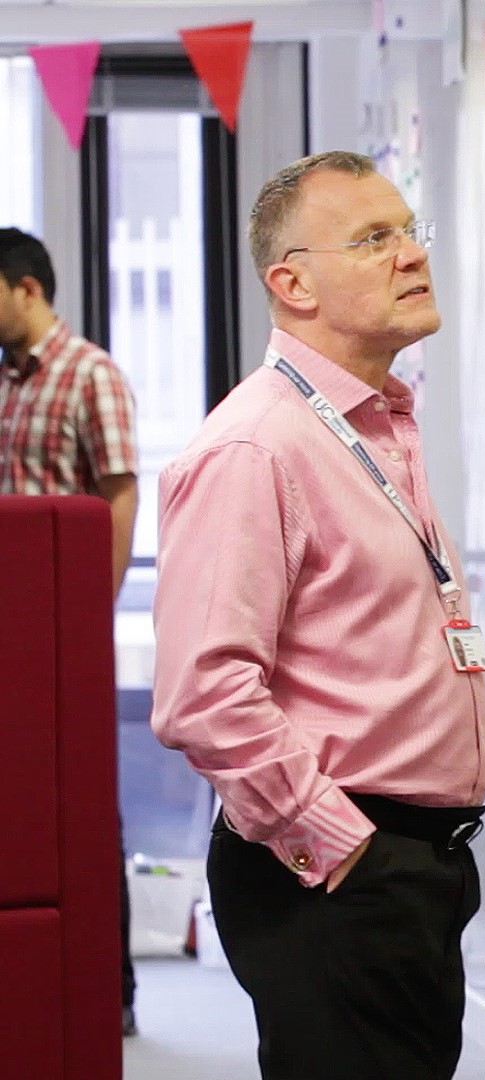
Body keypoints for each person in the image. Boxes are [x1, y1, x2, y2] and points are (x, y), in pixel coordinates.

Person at [149, 151, 485, 1080]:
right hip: (334, 872)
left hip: (410, 868)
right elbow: (203, 694)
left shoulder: (380, 424)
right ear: (290, 282)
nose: (411, 255)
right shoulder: (257, 445)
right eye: (375, 238)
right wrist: (342, 849)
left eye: (411, 230)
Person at [0, 227, 141, 1036]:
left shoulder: (91, 375)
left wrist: (95, 603)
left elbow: (119, 493)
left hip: (69, 627)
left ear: (27, 288)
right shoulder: (11, 384)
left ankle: (110, 989)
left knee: (88, 808)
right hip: (17, 632)